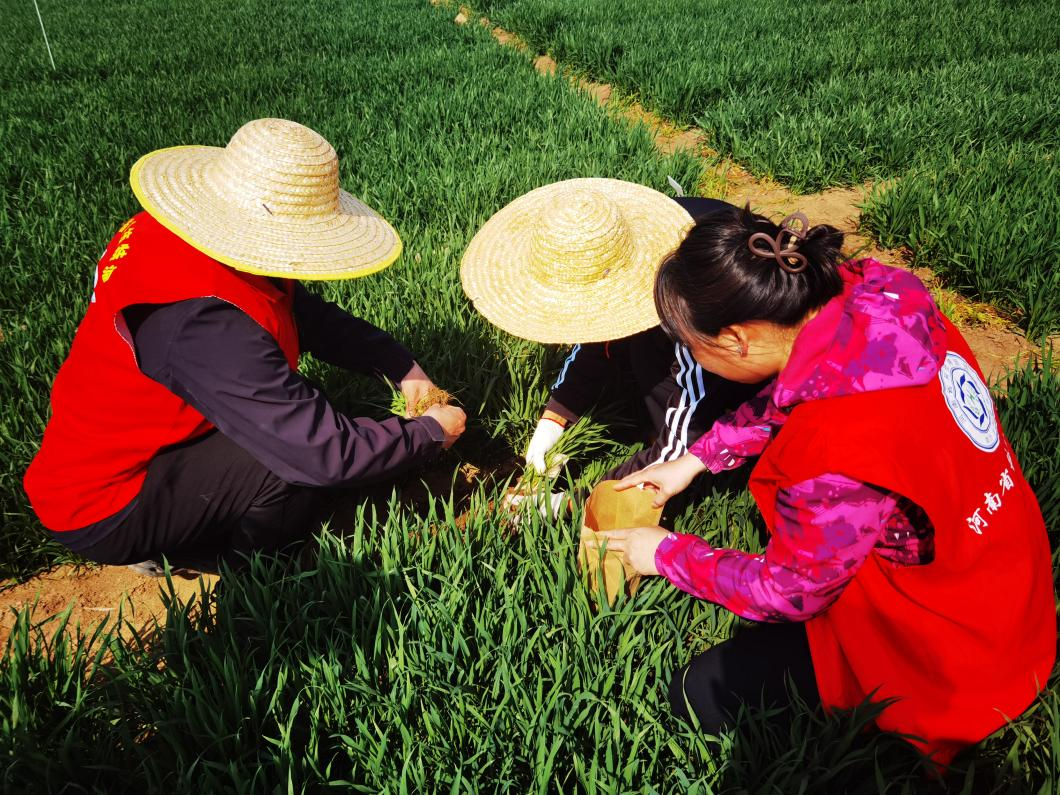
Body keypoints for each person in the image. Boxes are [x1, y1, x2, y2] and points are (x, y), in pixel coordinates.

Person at [596, 205, 1055, 764]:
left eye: (693, 346)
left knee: (699, 695)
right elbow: (795, 389)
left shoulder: (831, 453)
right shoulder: (882, 296)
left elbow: (790, 592)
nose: (693, 359)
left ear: (738, 338)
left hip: (955, 644)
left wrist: (665, 554)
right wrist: (694, 460)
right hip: (1003, 566)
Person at [24, 119, 466, 573]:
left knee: (301, 407)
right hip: (106, 501)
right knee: (284, 466)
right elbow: (320, 453)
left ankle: (199, 529)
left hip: (113, 451)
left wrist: (402, 367)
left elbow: (304, 315)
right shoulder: (201, 318)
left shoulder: (182, 238)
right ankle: (250, 574)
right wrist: (429, 433)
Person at [460, 179, 760, 495]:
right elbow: (595, 340)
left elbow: (681, 450)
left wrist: (579, 501)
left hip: (728, 345)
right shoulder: (619, 248)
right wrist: (554, 420)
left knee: (679, 412)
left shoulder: (694, 318)